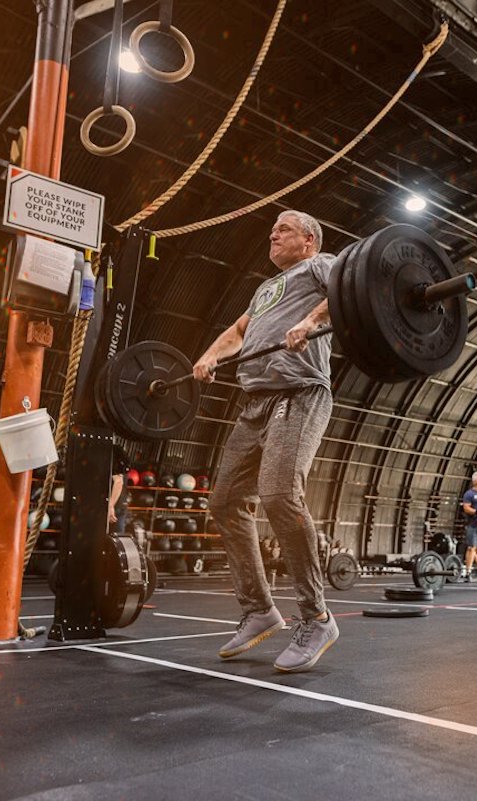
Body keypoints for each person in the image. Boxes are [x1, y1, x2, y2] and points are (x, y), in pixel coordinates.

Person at [192, 210, 338, 673]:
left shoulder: (321, 265)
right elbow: (239, 331)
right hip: (255, 401)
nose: (272, 235)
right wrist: (210, 356)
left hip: (299, 393)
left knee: (279, 496)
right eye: (272, 230)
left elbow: (349, 294)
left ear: (309, 239)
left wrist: (313, 320)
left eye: (284, 229)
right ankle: (258, 609)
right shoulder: (264, 289)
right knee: (225, 501)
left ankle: (316, 617)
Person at [108, 443, 130, 535]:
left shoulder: (113, 456)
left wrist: (110, 506)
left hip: (115, 507)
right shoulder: (123, 462)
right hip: (120, 505)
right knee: (117, 540)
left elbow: (118, 482)